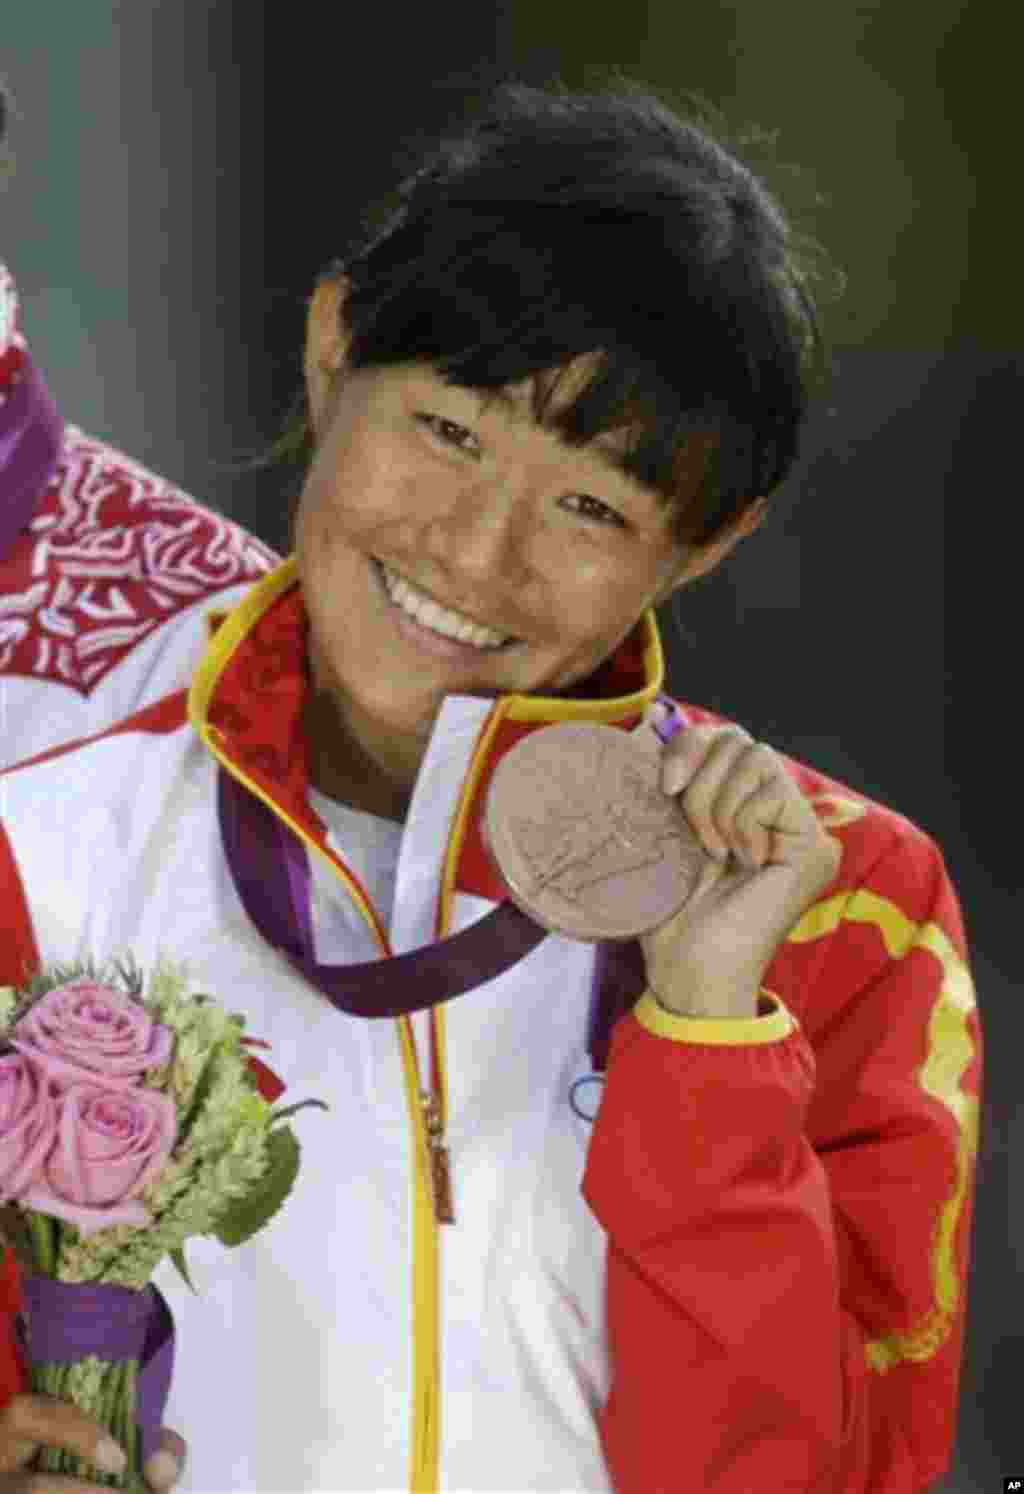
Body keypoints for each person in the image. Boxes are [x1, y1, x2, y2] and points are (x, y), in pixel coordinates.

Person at [0, 73, 982, 1492]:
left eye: (591, 504)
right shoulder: (43, 845)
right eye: (449, 433)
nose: (473, 553)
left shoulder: (843, 912)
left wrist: (706, 1031)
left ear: (706, 542)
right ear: (333, 347)